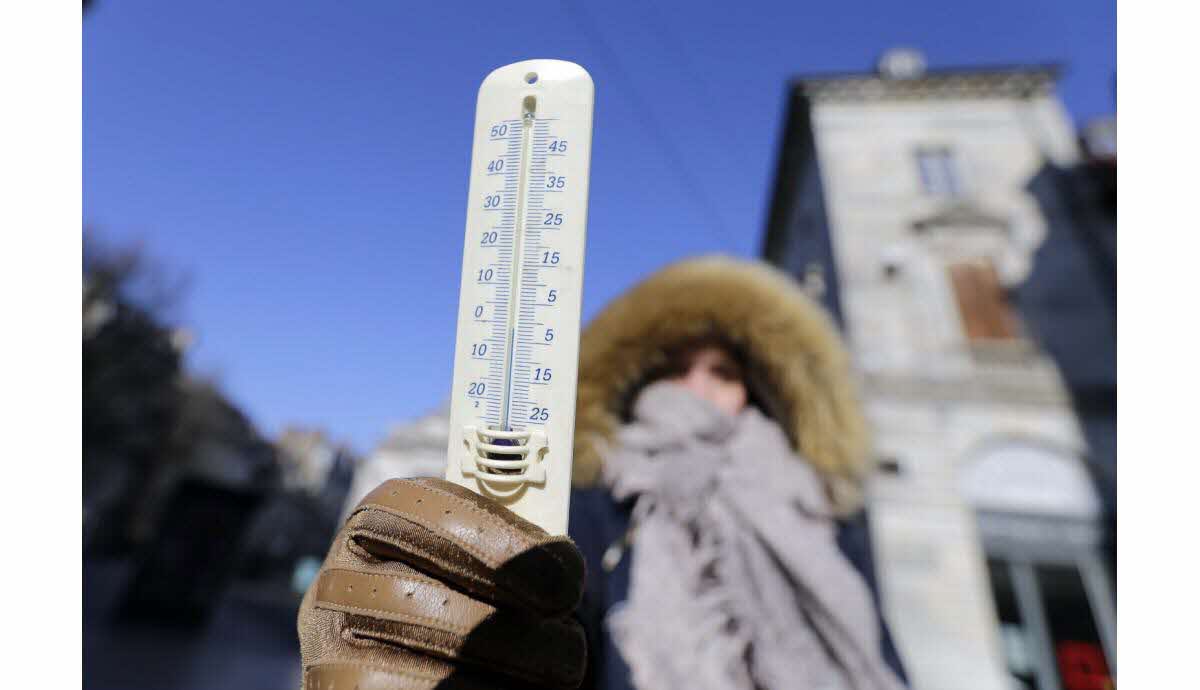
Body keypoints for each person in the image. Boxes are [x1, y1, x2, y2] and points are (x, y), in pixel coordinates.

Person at [297, 256, 908, 689]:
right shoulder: (593, 497)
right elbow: (544, 625)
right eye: (676, 367)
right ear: (638, 380)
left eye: (723, 371)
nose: (697, 388)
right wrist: (430, 627)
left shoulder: (815, 505)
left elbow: (871, 646)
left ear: (759, 392)